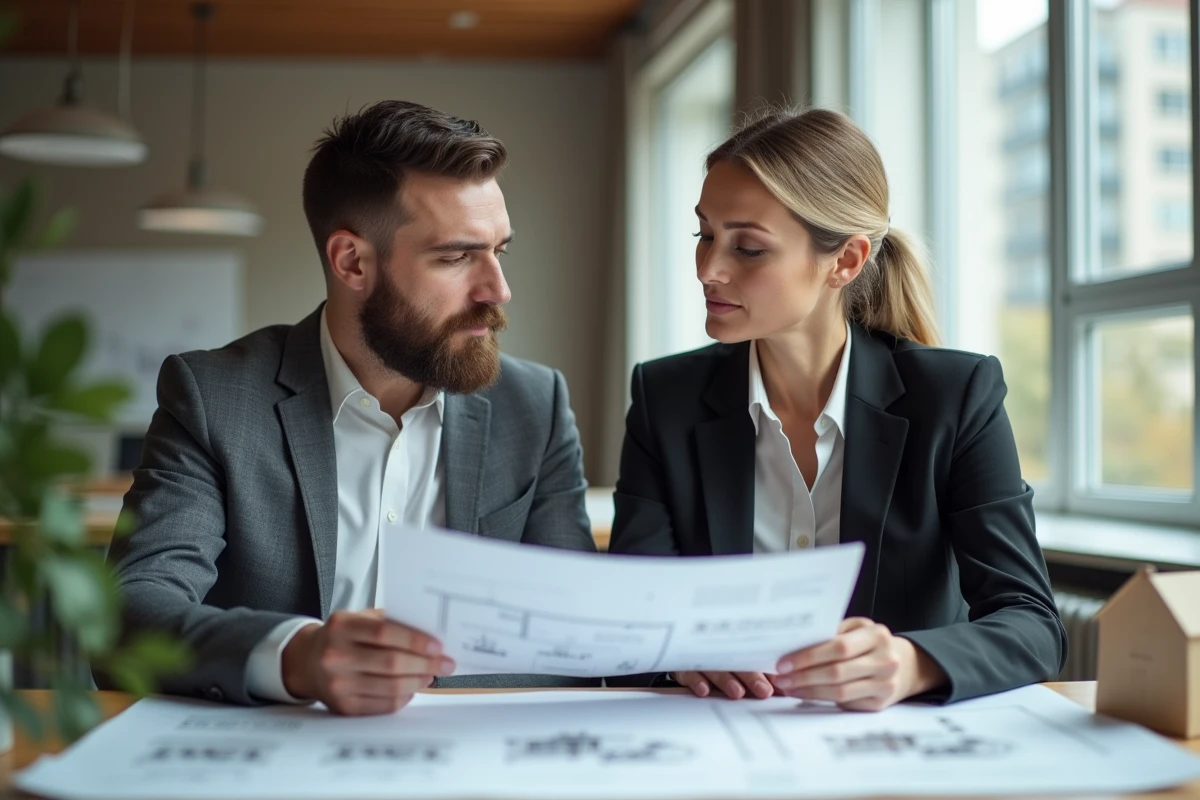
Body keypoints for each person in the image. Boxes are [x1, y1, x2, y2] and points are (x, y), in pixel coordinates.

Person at [104, 100, 595, 715]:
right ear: (352, 261)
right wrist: (296, 657)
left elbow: (576, 634)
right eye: (456, 256)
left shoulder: (535, 406)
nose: (498, 289)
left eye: (500, 250)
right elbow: (131, 610)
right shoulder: (214, 397)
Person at [608, 108, 1066, 709]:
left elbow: (1032, 626)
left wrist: (911, 664)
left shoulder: (956, 396)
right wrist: (679, 653)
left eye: (747, 247)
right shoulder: (664, 398)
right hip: (719, 745)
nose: (708, 269)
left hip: (895, 753)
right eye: (705, 234)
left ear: (846, 261)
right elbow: (624, 623)